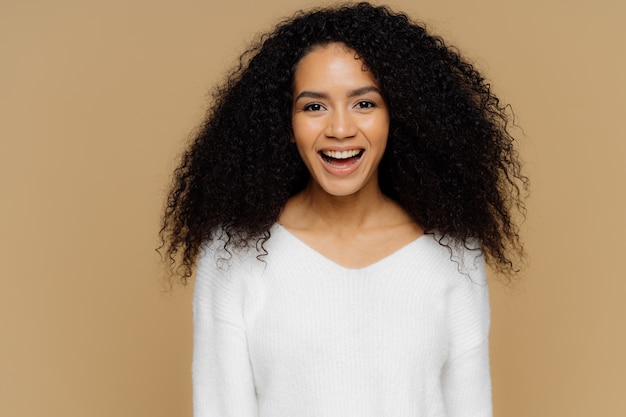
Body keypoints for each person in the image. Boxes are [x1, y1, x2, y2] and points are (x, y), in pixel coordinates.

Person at [159, 2, 527, 416]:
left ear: (399, 115)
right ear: (285, 121)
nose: (339, 129)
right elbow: (220, 407)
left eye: (364, 103)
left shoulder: (452, 252)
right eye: (313, 106)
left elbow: (471, 406)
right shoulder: (234, 254)